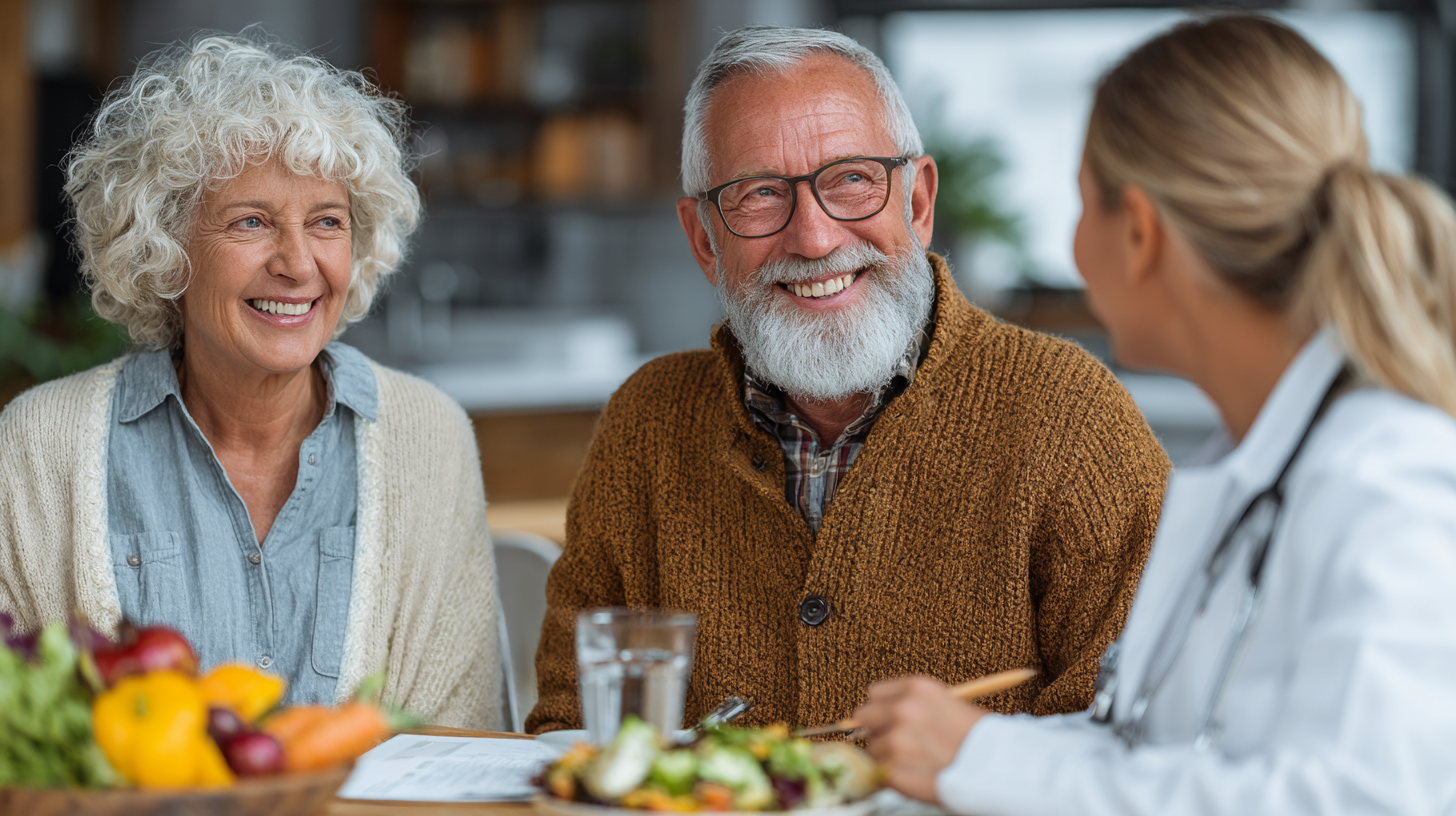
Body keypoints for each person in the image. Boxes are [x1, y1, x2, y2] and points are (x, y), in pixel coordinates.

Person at [855, 15, 1456, 815]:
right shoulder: (1250, 467)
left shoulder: (1388, 480)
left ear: (1137, 232)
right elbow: (1154, 751)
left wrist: (983, 759)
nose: (1072, 247)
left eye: (1080, 207)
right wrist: (946, 761)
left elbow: (1372, 799)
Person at [527, 27, 1170, 735]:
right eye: (760, 194)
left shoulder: (1071, 418)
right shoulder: (645, 425)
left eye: (852, 179)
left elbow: (1133, 745)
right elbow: (571, 731)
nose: (814, 237)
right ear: (704, 240)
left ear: (918, 203)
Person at [0, 34, 503, 728]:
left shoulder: (428, 436)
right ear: (164, 251)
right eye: (252, 222)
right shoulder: (40, 444)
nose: (298, 263)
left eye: (326, 222)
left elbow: (461, 740)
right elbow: (21, 736)